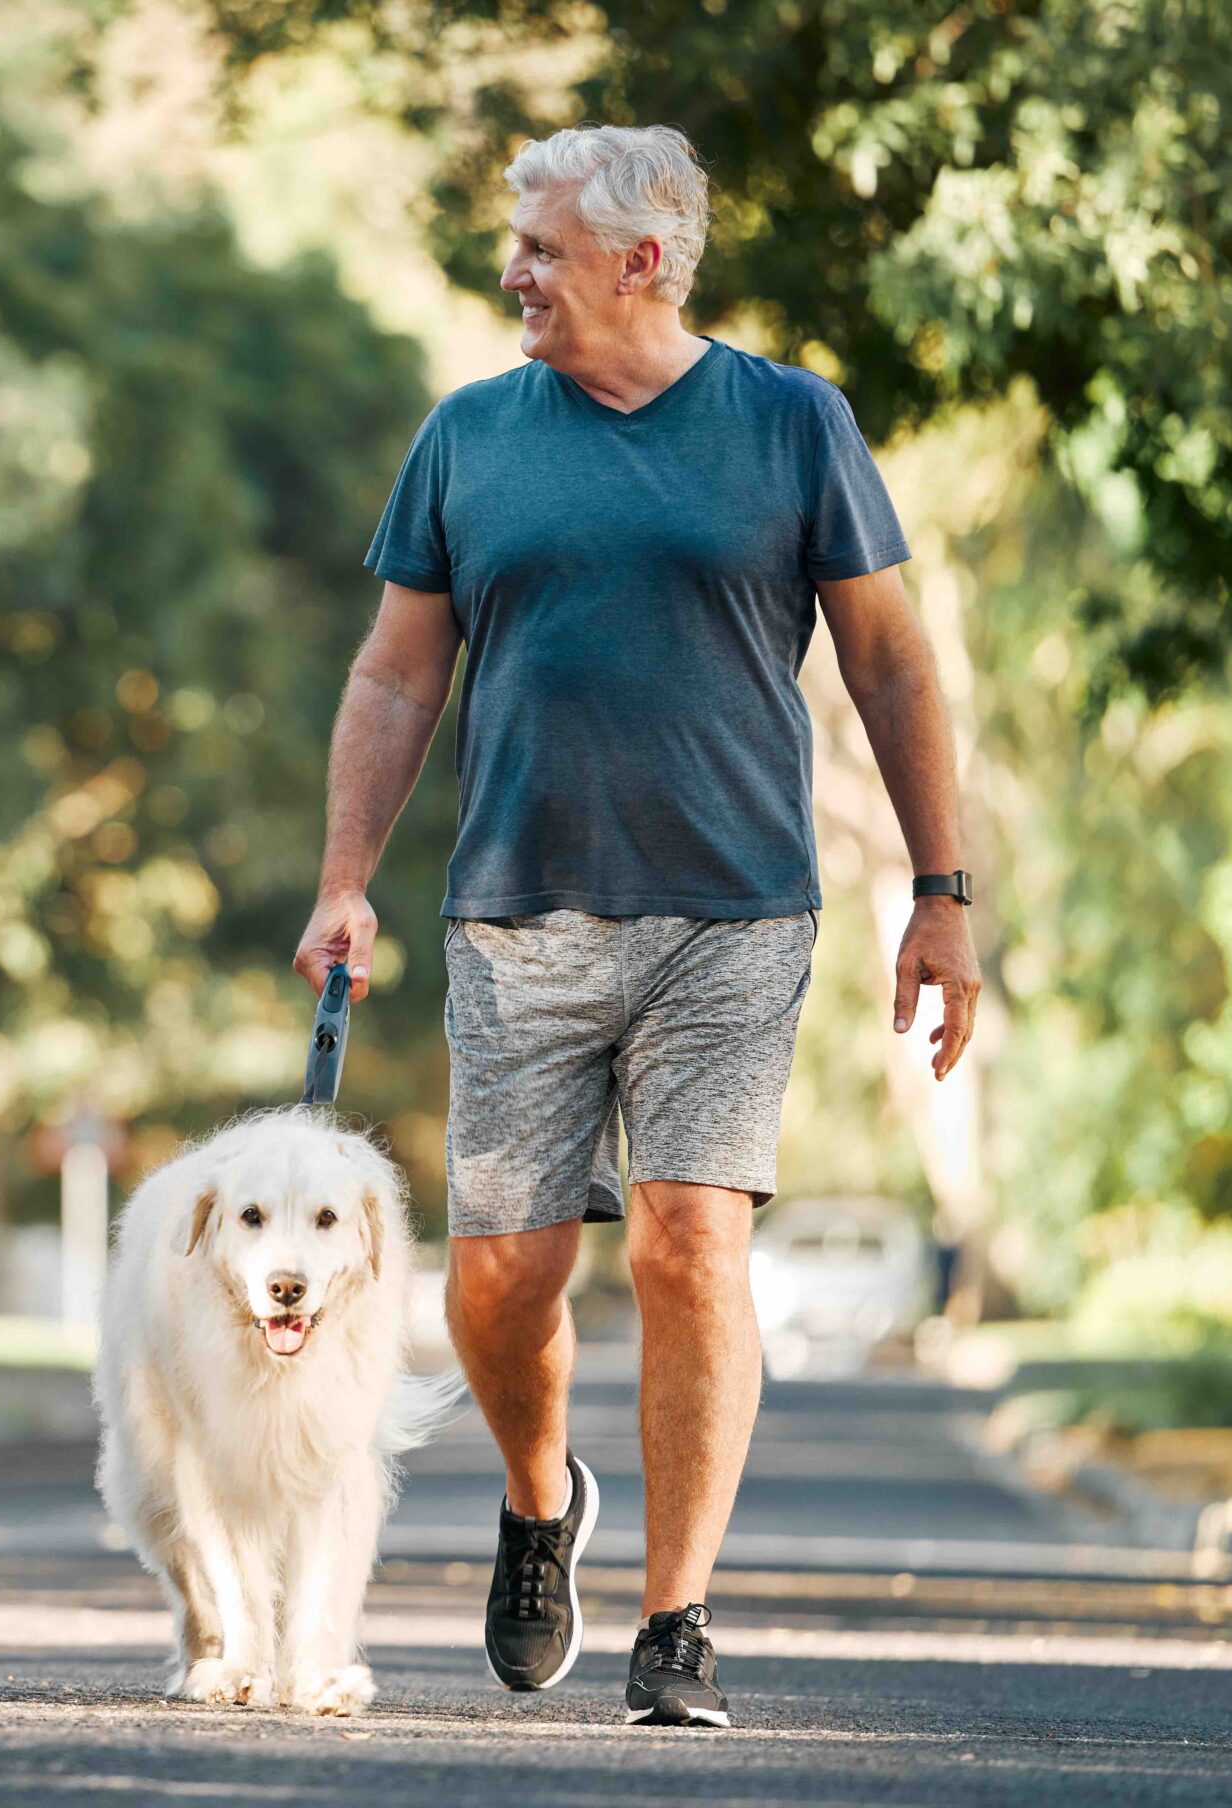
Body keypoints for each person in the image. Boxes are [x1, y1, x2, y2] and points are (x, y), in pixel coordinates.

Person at [292, 125, 979, 1728]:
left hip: (733, 909)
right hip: (516, 906)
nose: (513, 270)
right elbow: (397, 676)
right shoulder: (469, 436)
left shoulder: (791, 422)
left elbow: (890, 663)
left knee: (690, 1241)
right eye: (515, 243)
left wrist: (941, 894)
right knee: (500, 1281)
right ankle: (544, 1504)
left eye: (538, 245)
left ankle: (678, 1620)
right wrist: (344, 877)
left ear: (642, 261)